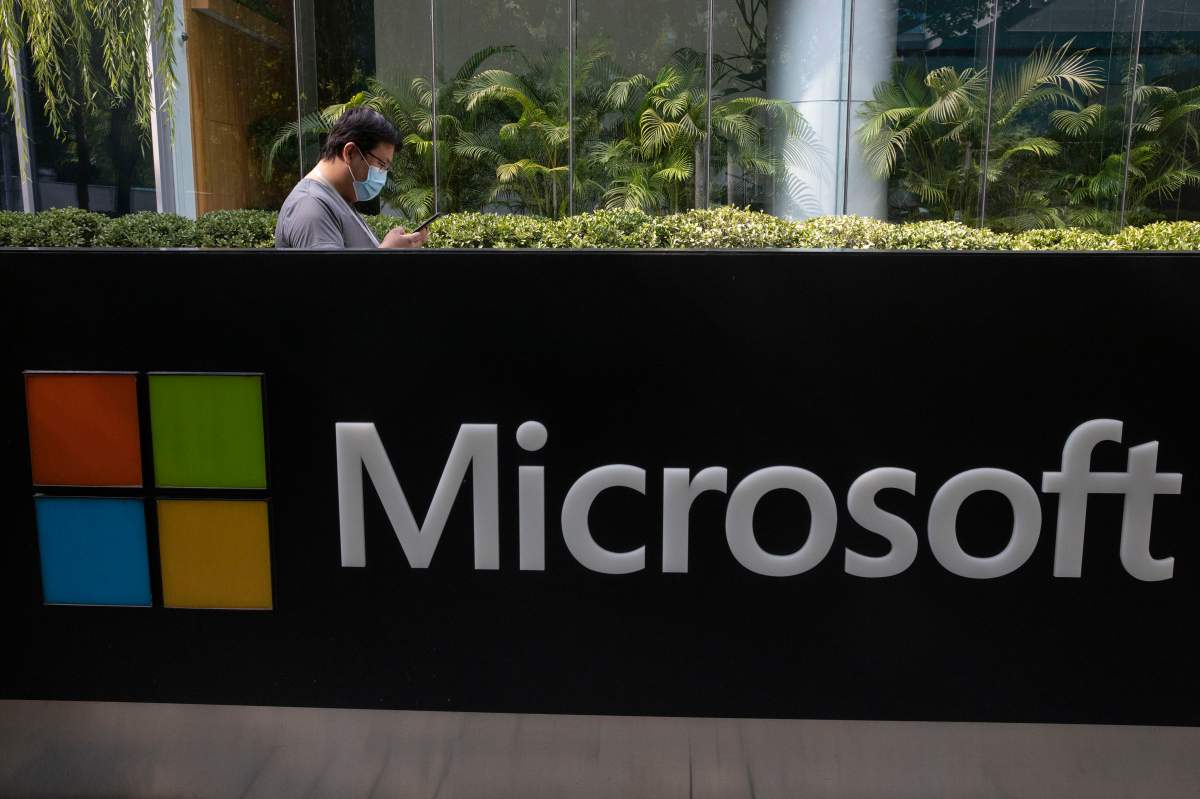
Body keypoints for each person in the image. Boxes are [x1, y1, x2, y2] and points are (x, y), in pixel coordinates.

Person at [275, 107, 429, 249]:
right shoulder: (310, 207)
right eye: (381, 164)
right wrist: (387, 253)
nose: (383, 174)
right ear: (350, 152)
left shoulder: (338, 199)